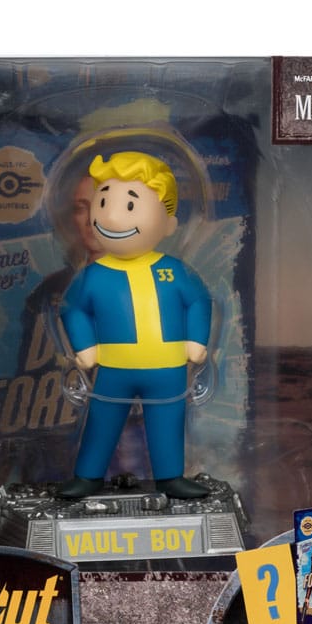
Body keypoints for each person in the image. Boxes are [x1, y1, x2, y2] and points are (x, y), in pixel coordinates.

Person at [58, 151, 211, 499]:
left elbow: (199, 301)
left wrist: (196, 341)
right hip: (115, 367)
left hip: (168, 367)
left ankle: (170, 477)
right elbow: (72, 308)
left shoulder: (174, 270)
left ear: (168, 224)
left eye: (130, 205)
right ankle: (88, 476)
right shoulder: (94, 275)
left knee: (168, 421)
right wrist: (85, 346)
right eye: (103, 202)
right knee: (102, 420)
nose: (112, 217)